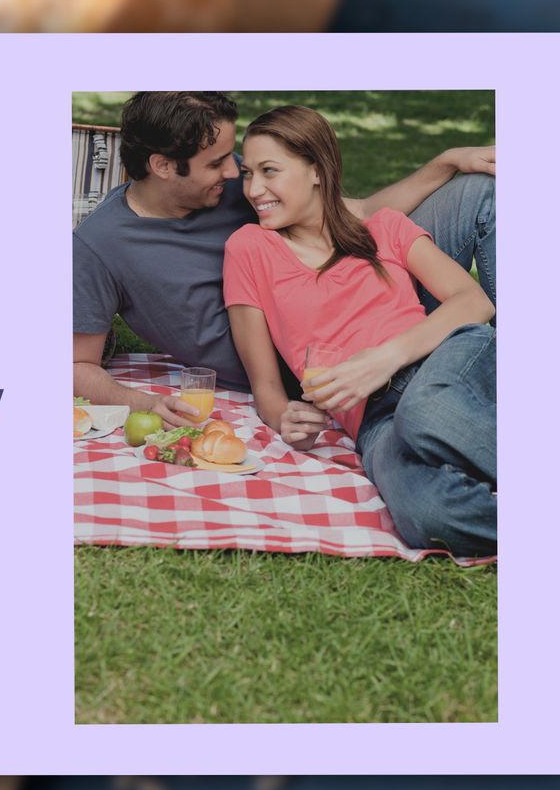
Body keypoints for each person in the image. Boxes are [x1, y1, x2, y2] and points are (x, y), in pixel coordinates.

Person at [73, 92, 496, 428]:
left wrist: (447, 161)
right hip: (305, 368)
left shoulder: (236, 181)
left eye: (235, 160)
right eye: (217, 162)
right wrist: (143, 403)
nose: (236, 174)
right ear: (163, 166)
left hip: (365, 304)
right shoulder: (99, 247)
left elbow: (359, 213)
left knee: (480, 192)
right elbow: (75, 366)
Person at [224, 105, 495, 555]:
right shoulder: (248, 248)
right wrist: (284, 418)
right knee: (426, 514)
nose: (254, 189)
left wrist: (383, 359)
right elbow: (267, 389)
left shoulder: (382, 226)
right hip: (373, 419)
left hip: (443, 362)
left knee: (425, 413)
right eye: (248, 173)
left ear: (316, 168)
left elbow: (474, 301)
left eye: (269, 171)